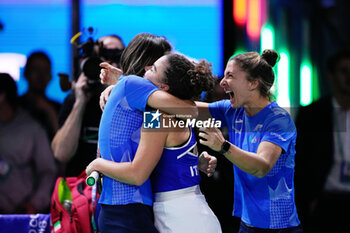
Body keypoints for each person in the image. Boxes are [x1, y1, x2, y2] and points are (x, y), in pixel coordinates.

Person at [86, 53, 221, 233]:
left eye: (154, 68)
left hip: (182, 220)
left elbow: (137, 174)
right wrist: (195, 163)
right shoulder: (172, 115)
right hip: (189, 213)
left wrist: (97, 164)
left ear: (163, 87)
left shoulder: (156, 116)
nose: (146, 69)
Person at [194, 50, 302, 232]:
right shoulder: (233, 110)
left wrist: (223, 146)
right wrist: (147, 104)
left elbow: (261, 167)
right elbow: (184, 112)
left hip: (279, 228)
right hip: (246, 224)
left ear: (253, 83)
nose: (222, 82)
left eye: (230, 75)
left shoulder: (278, 119)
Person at [51, 35, 125, 176]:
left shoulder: (133, 101)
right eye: (102, 55)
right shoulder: (75, 100)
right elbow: (61, 154)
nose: (109, 62)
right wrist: (80, 102)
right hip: (80, 191)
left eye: (116, 55)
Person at [294, 50, 350, 233]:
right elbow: (300, 162)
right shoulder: (312, 115)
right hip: (325, 201)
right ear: (331, 75)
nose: (348, 77)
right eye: (343, 71)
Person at [0, 73, 57, 214]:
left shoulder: (32, 129)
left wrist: (34, 203)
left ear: (2, 96)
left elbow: (48, 172)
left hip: (23, 214)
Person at [20, 51, 61, 140]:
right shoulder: (14, 105)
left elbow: (63, 144)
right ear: (26, 73)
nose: (41, 75)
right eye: (36, 69)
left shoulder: (57, 108)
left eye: (45, 70)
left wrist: (51, 112)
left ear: (50, 76)